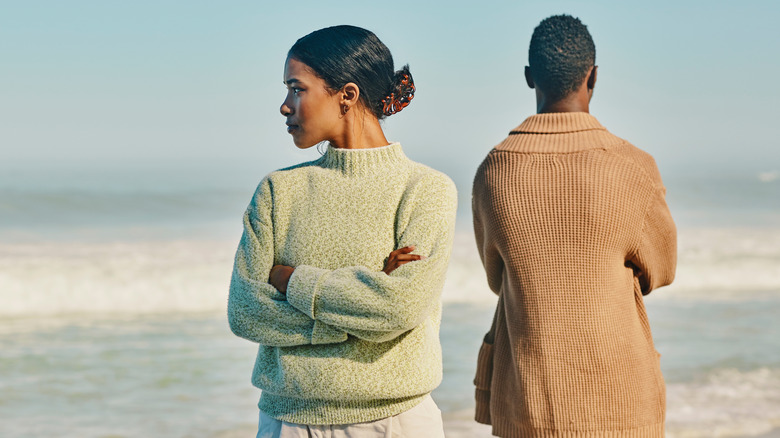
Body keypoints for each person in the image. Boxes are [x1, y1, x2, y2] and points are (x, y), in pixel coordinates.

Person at [228, 25, 456, 438]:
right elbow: (245, 312)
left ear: (346, 95)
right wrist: (362, 311)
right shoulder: (278, 190)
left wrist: (291, 279)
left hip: (397, 422)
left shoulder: (425, 189)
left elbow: (400, 308)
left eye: (296, 89)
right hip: (288, 421)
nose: (284, 106)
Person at [471, 14, 677, 438]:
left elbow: (497, 277)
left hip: (529, 398)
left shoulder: (495, 169)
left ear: (530, 78)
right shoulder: (634, 167)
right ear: (594, 76)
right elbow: (662, 269)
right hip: (622, 398)